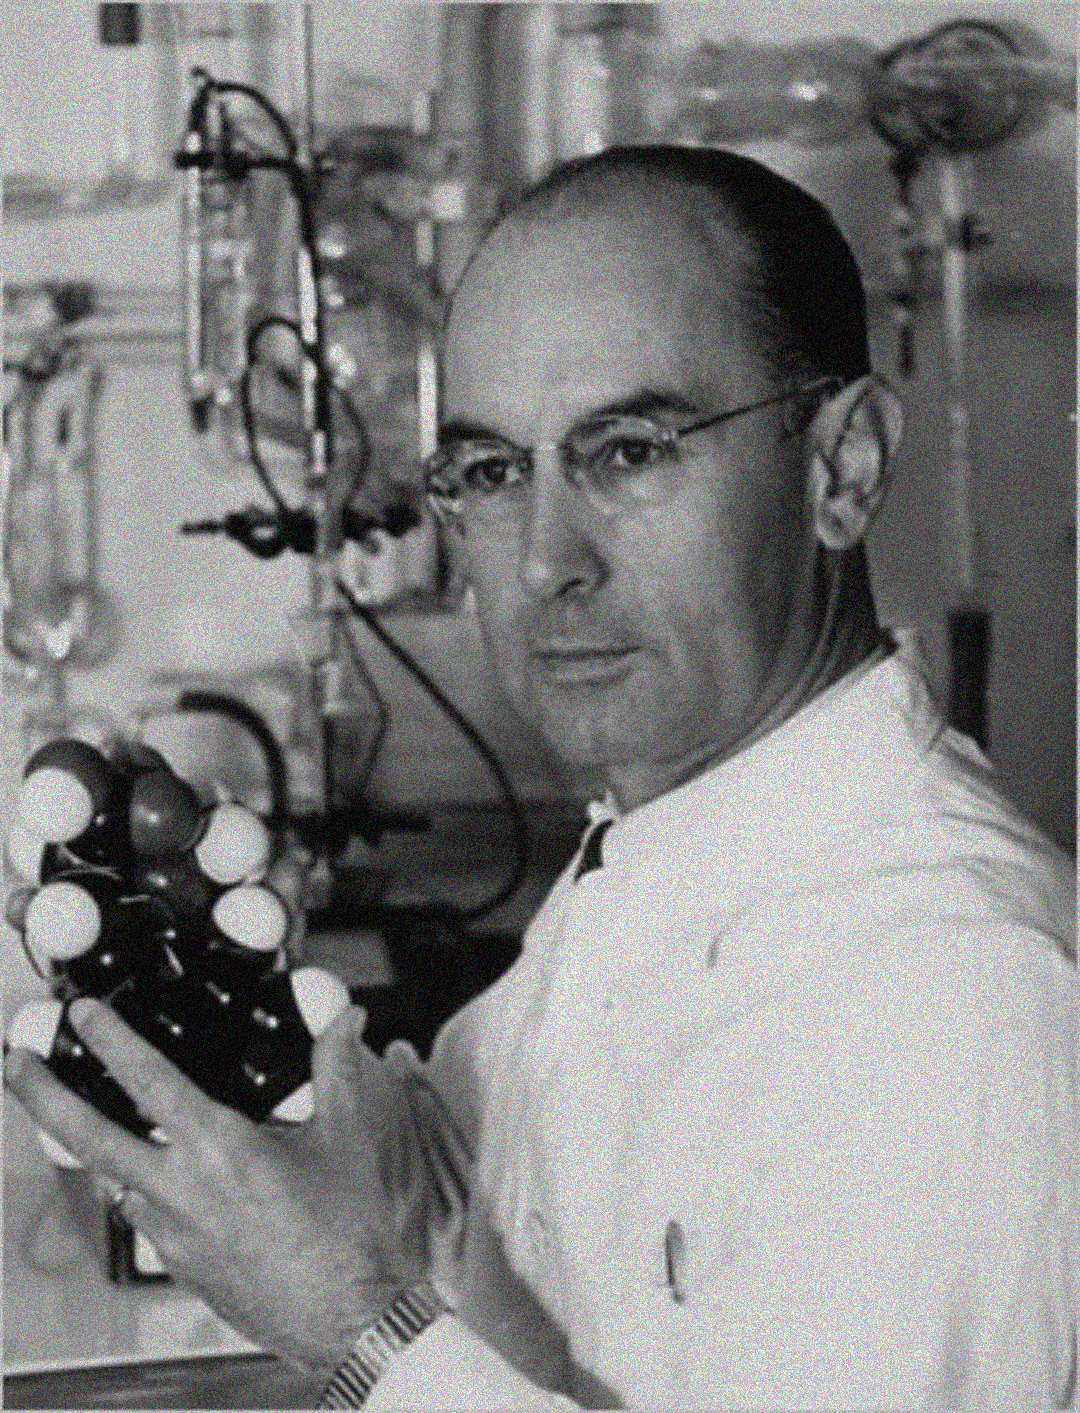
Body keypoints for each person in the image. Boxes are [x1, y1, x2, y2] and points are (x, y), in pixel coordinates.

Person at [6, 146, 1076, 1411]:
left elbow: (396, 1319)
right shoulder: (661, 849)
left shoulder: (952, 995)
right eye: (493, 473)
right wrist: (250, 1084)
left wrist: (355, 1328)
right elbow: (493, 1226)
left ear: (840, 465)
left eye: (629, 452)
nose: (544, 563)